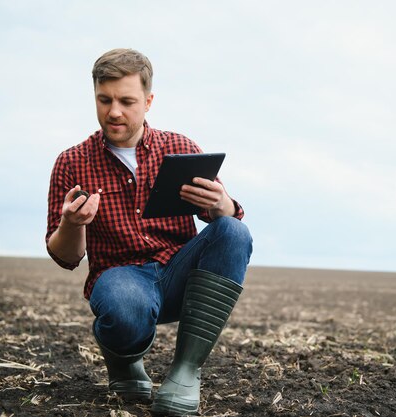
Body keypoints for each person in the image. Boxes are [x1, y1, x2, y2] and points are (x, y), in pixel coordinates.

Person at [45, 48, 253, 415]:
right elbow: (66, 257)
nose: (114, 111)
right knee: (124, 309)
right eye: (104, 100)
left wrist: (222, 203)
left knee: (234, 232)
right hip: (120, 279)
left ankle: (185, 372)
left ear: (149, 100)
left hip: (180, 274)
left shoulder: (180, 148)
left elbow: (228, 218)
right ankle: (123, 360)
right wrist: (71, 224)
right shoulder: (71, 162)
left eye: (127, 101)